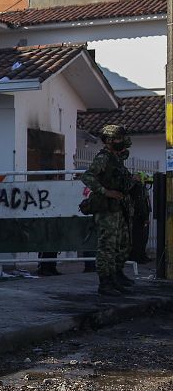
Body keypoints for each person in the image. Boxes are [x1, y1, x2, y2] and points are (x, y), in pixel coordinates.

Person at [80, 125, 136, 296]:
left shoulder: (115, 158)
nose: (122, 142)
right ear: (109, 141)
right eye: (118, 139)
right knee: (107, 247)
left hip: (117, 208)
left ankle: (114, 277)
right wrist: (107, 192)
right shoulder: (103, 158)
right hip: (106, 209)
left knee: (121, 244)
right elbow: (87, 176)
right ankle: (105, 283)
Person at [128, 172, 152, 263]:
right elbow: (140, 204)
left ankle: (141, 255)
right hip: (138, 216)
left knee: (142, 238)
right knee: (139, 238)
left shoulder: (140, 188)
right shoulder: (138, 188)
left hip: (139, 215)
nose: (148, 185)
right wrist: (145, 218)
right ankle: (138, 257)